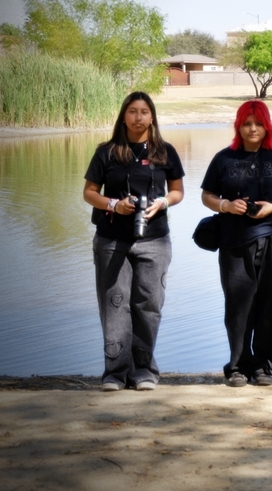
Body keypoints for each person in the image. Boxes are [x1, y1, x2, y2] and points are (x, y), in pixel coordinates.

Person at [82, 92, 185, 392]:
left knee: (149, 305)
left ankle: (143, 371)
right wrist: (114, 205)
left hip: (155, 240)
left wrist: (162, 202)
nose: (138, 117)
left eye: (144, 112)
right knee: (114, 304)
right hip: (111, 239)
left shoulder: (165, 152)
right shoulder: (107, 152)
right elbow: (89, 193)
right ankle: (115, 374)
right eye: (132, 111)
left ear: (152, 117)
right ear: (123, 116)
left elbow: (178, 191)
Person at [201, 100, 272, 388]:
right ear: (238, 126)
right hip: (234, 243)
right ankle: (238, 366)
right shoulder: (223, 158)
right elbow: (207, 196)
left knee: (270, 305)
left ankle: (264, 367)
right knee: (238, 307)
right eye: (247, 123)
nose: (253, 129)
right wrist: (226, 205)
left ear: (267, 127)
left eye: (259, 123)